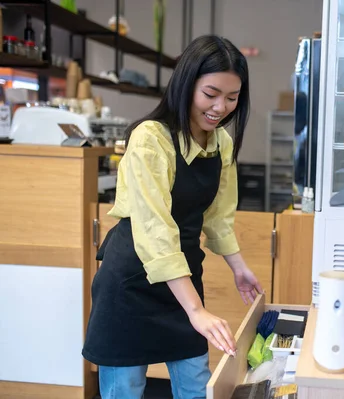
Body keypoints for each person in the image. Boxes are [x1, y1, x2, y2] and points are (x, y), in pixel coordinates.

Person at [82, 35, 263, 399]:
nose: (220, 107)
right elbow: (155, 231)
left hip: (181, 277)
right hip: (130, 281)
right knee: (125, 389)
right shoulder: (151, 139)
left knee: (197, 383)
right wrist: (196, 310)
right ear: (185, 84)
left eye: (232, 97)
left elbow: (217, 217)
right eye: (210, 94)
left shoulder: (221, 143)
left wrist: (238, 266)